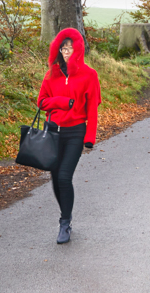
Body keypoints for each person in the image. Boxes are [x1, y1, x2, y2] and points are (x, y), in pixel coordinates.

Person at [37, 28, 102, 244]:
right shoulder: (51, 74)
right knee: (55, 178)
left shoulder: (89, 75)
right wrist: (62, 102)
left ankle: (64, 223)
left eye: (71, 48)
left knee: (64, 176)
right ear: (58, 50)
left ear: (78, 50)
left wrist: (89, 138)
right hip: (53, 132)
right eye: (63, 48)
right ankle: (66, 216)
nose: (67, 52)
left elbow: (92, 109)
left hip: (75, 132)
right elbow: (42, 102)